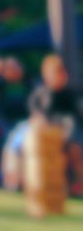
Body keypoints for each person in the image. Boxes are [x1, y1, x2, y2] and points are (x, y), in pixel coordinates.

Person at [27, 54, 83, 194]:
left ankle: (78, 183)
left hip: (68, 137)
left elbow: (76, 116)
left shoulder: (72, 95)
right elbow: (35, 116)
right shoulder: (40, 95)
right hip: (45, 140)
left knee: (75, 149)